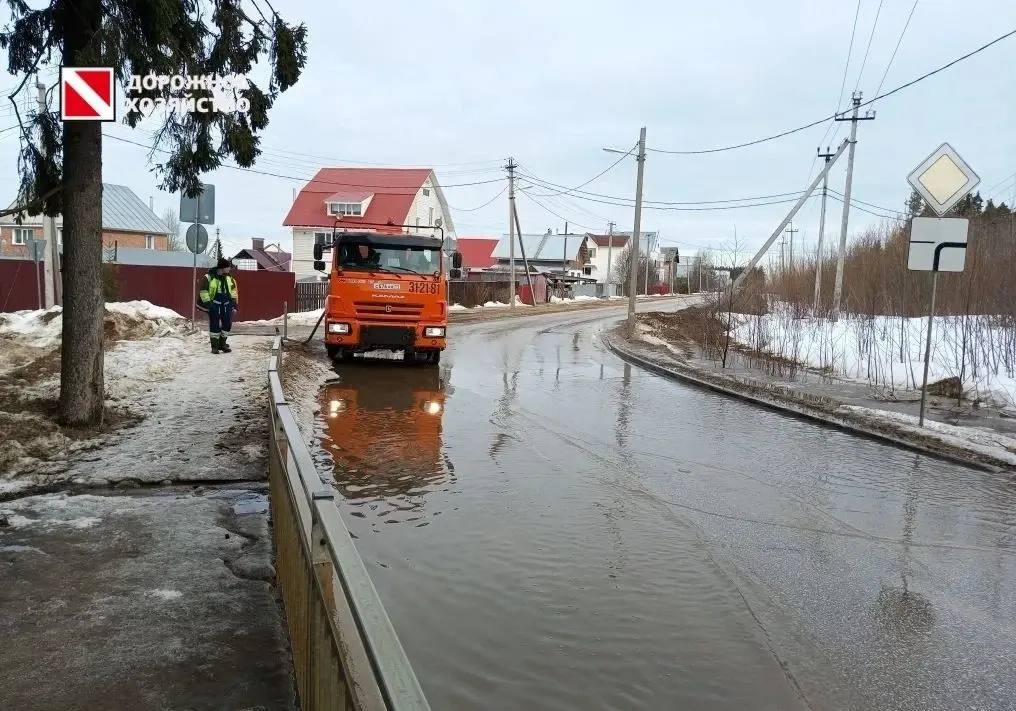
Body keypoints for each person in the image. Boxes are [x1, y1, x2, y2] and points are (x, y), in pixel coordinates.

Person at [198, 258, 240, 354]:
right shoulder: (208, 277)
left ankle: (223, 344)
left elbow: (233, 292)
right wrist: (209, 305)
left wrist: (234, 305)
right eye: (228, 267)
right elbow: (203, 292)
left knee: (227, 324)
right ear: (222, 268)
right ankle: (215, 346)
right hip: (214, 304)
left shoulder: (229, 278)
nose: (229, 269)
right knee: (215, 325)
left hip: (226, 304)